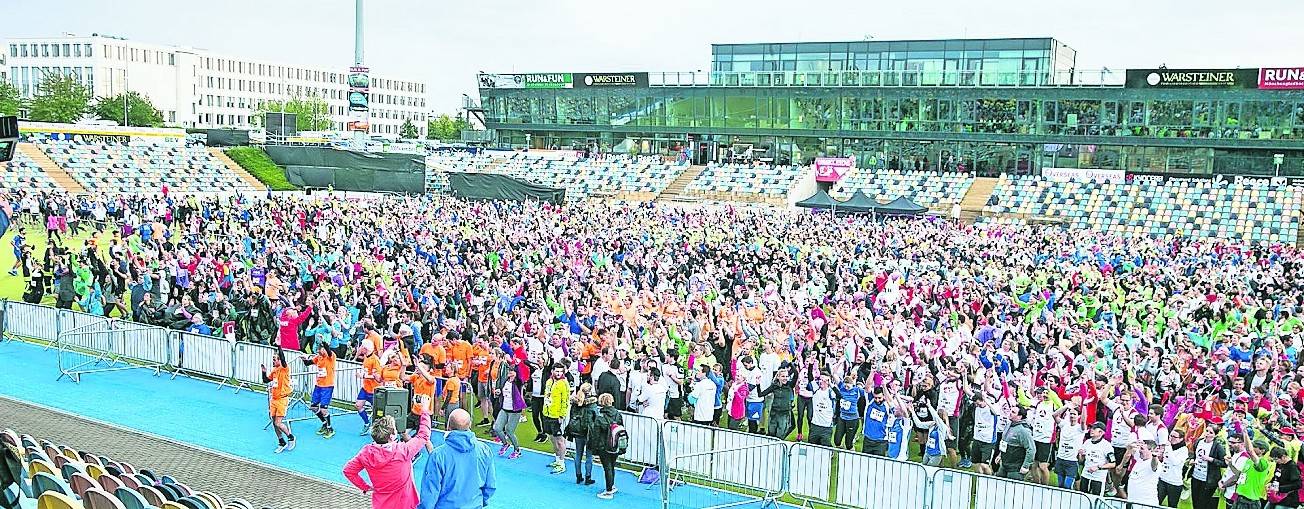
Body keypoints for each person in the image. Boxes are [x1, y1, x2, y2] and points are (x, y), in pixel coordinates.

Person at [343, 411, 432, 509]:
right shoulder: (403, 451)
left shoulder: (365, 453)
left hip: (381, 505)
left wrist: (365, 487)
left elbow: (348, 471)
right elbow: (423, 435)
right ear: (392, 436)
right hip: (405, 504)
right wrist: (425, 412)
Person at [419, 409, 496, 509]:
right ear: (470, 425)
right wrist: (478, 503)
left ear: (448, 426)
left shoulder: (438, 456)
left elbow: (429, 493)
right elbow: (490, 486)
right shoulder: (485, 450)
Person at [589, 393, 624, 500]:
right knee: (611, 466)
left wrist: (594, 450)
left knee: (607, 468)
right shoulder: (618, 414)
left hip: (604, 446)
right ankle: (611, 486)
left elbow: (596, 435)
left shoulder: (600, 418)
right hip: (615, 444)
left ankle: (609, 491)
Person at [261, 349, 295, 453]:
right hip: (274, 399)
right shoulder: (274, 371)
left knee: (278, 423)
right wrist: (264, 372)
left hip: (282, 399)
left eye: (275, 359)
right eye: (272, 359)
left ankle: (291, 437)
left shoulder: (284, 369)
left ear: (280, 360)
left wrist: (279, 346)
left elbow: (283, 359)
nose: (273, 361)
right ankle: (281, 441)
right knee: (273, 422)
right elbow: (266, 380)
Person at [302, 342, 337, 439]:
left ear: (325, 349)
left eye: (320, 349)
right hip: (318, 386)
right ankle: (324, 423)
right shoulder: (318, 357)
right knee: (313, 407)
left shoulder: (331, 356)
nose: (318, 351)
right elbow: (308, 363)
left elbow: (329, 351)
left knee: (323, 409)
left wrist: (324, 342)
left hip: (327, 386)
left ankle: (330, 429)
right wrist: (304, 359)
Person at [492, 363, 527, 459]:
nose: (510, 373)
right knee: (497, 428)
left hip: (515, 410)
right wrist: (499, 392)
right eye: (509, 371)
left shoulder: (518, 382)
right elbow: (503, 392)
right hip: (504, 409)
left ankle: (517, 450)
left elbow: (520, 375)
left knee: (509, 431)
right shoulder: (505, 381)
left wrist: (517, 363)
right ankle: (505, 444)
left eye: (512, 371)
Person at [566, 383, 598, 486]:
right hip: (589, 432)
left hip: (577, 431)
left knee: (578, 454)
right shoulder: (592, 404)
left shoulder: (575, 402)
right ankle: (588, 478)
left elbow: (572, 415)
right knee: (589, 456)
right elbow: (596, 417)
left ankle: (578, 476)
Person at [543, 364, 571, 475]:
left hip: (557, 416)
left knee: (560, 439)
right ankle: (557, 459)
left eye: (561, 372)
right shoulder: (549, 382)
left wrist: (561, 415)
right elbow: (547, 396)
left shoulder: (564, 384)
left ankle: (562, 463)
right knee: (552, 438)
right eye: (557, 371)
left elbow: (565, 401)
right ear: (553, 371)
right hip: (547, 414)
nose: (559, 373)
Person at [998, 406, 1035, 480]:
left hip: (1015, 468)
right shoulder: (1009, 425)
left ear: (1019, 417)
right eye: (1011, 411)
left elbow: (1031, 449)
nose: (1010, 413)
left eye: (1013, 412)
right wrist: (1000, 455)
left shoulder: (1023, 431)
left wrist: (1025, 466)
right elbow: (1004, 441)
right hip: (1004, 464)